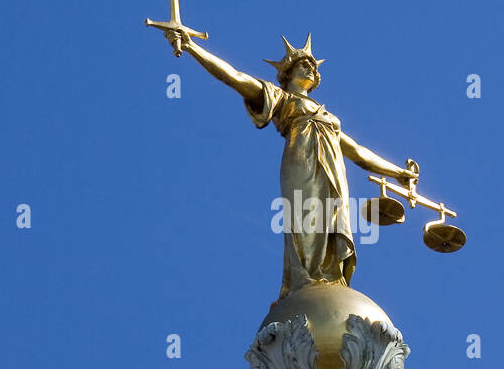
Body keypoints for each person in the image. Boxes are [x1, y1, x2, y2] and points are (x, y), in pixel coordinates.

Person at [164, 30, 417, 299]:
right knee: (306, 218)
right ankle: (307, 278)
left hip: (333, 170)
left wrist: (398, 173)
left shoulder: (328, 117)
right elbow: (234, 77)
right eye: (303, 64)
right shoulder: (281, 98)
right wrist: (191, 47)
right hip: (302, 162)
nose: (310, 68)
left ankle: (331, 276)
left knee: (333, 217)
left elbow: (358, 152)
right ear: (287, 73)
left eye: (312, 66)